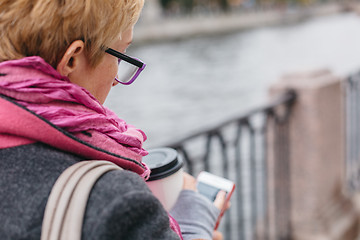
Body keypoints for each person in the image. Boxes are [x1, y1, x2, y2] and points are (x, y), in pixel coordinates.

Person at [0, 1, 228, 239]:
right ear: (72, 60)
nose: (116, 80)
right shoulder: (116, 202)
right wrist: (194, 222)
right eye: (120, 55)